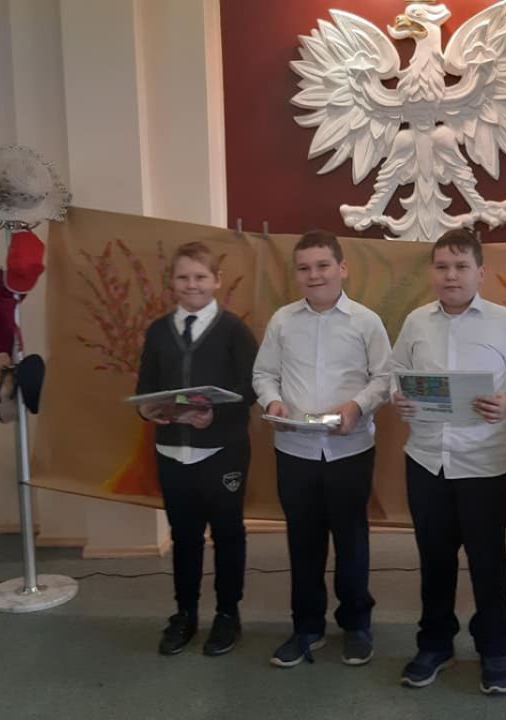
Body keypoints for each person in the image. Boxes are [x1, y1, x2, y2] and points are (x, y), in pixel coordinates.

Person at [391, 228, 506, 695]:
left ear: (480, 272)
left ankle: (494, 649)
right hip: (427, 461)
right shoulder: (416, 322)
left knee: (487, 562)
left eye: (461, 267)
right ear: (432, 273)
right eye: (442, 267)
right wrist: (399, 396)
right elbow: (395, 373)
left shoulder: (505, 322)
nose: (451, 276)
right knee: (434, 561)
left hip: (485, 465)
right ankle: (435, 644)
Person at [253, 229, 391, 668]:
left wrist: (357, 406)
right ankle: (307, 627)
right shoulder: (282, 321)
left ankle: (356, 624)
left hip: (350, 449)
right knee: (303, 541)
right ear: (296, 274)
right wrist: (271, 402)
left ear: (342, 268)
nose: (314, 275)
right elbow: (264, 374)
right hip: (294, 449)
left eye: (323, 265)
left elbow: (385, 378)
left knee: (352, 540)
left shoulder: (366, 321)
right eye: (304, 268)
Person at [135, 241, 258, 657]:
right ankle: (185, 614)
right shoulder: (158, 331)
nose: (192, 285)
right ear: (172, 282)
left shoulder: (234, 330)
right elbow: (146, 386)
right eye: (183, 277)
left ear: (217, 280)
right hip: (173, 453)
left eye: (201, 277)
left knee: (227, 533)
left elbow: (252, 387)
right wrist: (147, 411)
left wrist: (215, 416)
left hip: (222, 451)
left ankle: (227, 614)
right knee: (184, 535)